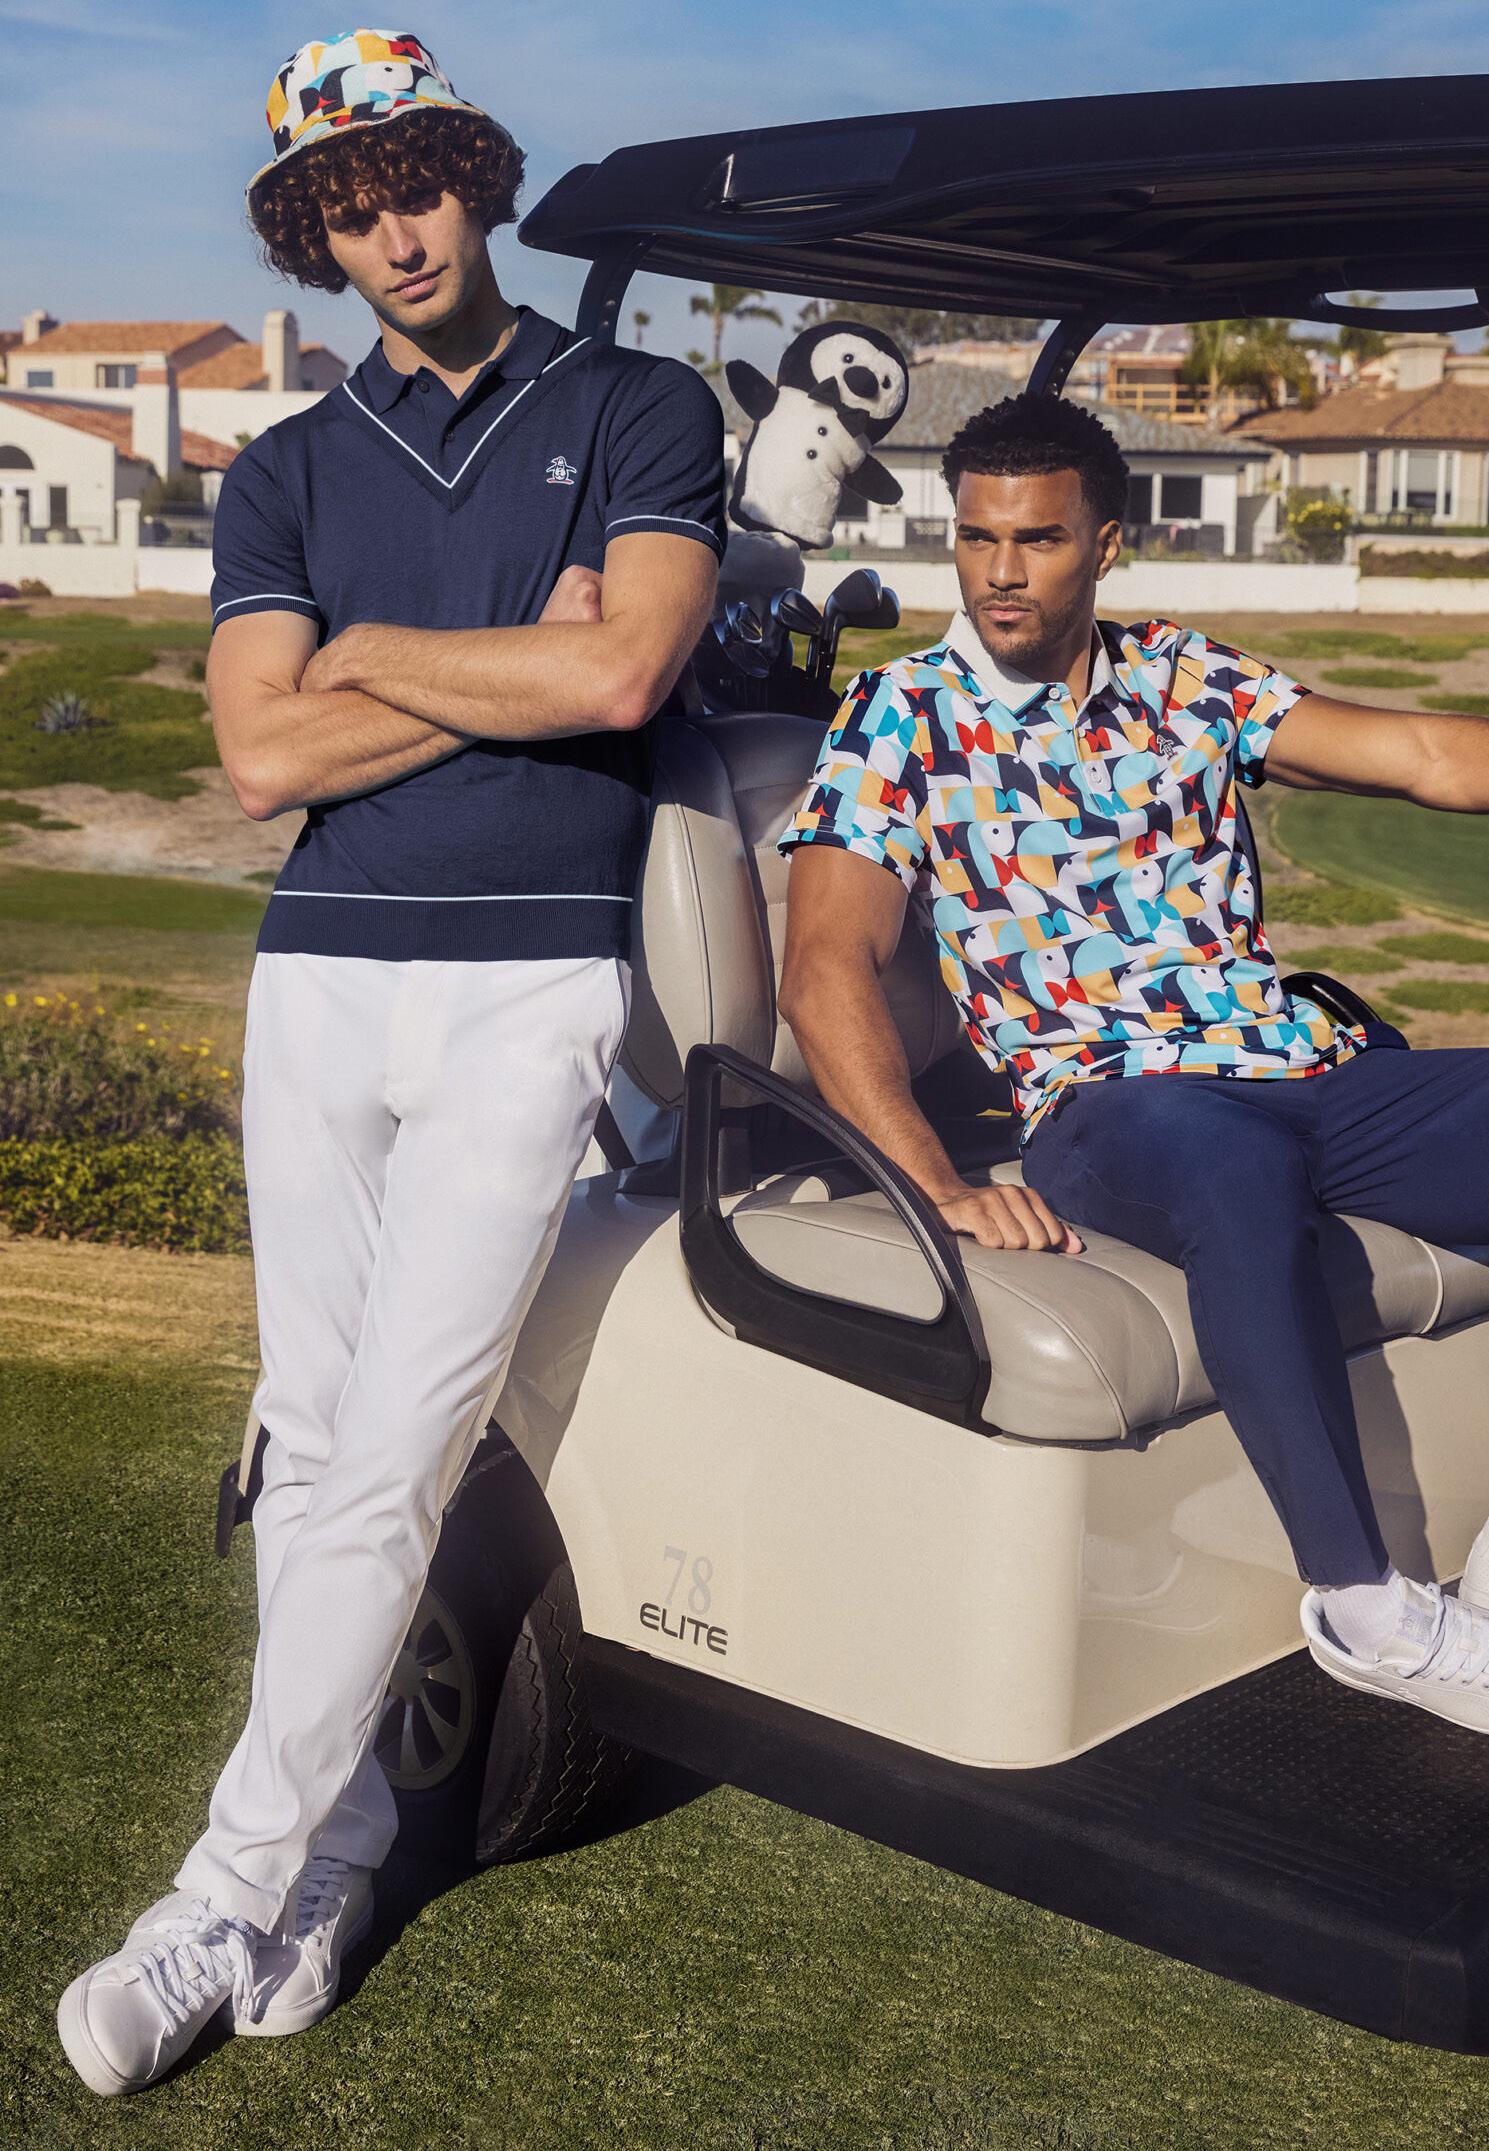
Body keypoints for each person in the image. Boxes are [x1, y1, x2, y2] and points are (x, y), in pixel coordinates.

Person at [57, 27, 723, 2097]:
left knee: (398, 1448)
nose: (395, 233)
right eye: (346, 209)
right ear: (312, 235)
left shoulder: (635, 403)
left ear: (474, 179)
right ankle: (341, 1849)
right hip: (324, 979)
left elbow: (626, 668)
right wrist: (505, 663)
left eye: (417, 183)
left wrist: (372, 656)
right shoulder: (287, 464)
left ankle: (216, 1894)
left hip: (535, 985)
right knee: (305, 1422)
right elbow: (263, 761)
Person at [776, 390, 1489, 1747]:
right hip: (1110, 1102)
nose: (998, 572)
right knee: (1235, 1170)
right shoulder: (900, 713)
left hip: (1300, 1067)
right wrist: (937, 1185)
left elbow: (1426, 756)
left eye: (1037, 539)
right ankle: (1366, 1613)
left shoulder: (1183, 677)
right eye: (975, 537)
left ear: (1106, 544)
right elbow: (824, 970)